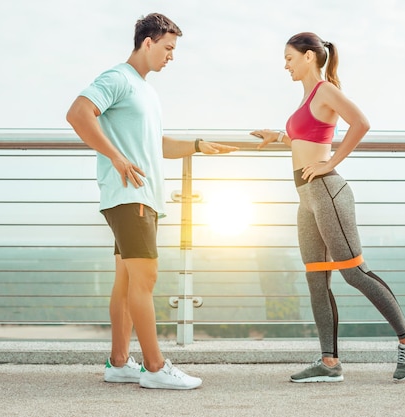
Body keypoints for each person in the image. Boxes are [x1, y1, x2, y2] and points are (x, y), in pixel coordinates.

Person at [66, 13, 237, 390]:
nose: (171, 56)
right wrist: (115, 156)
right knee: (146, 278)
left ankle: (118, 363)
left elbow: (155, 145)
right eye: (168, 48)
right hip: (130, 195)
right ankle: (156, 368)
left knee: (126, 283)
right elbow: (78, 114)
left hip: (140, 197)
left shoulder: (145, 89)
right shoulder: (117, 79)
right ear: (147, 42)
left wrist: (196, 146)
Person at [251, 32, 405, 383]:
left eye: (289, 58)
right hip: (307, 199)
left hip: (327, 191)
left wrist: (331, 163)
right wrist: (279, 136)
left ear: (309, 57)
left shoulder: (325, 90)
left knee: (352, 272)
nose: (285, 65)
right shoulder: (306, 99)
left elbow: (361, 124)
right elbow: (309, 137)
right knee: (316, 278)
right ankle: (329, 363)